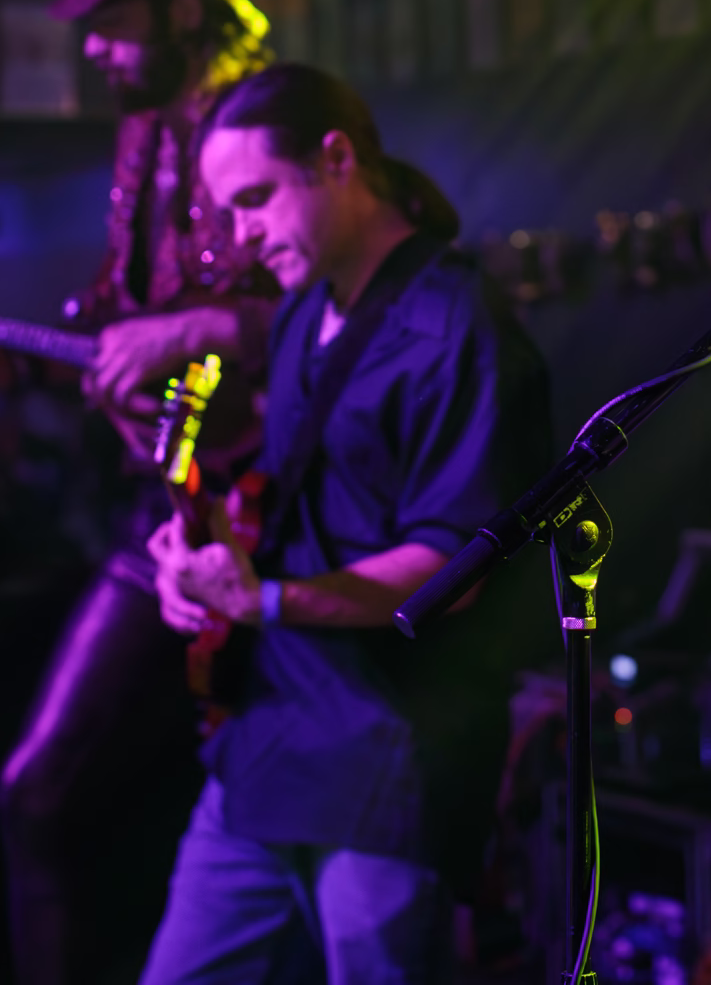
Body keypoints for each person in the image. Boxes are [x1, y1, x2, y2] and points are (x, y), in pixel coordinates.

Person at [0, 0, 280, 985]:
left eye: (113, 20)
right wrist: (16, 367)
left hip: (284, 519)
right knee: (37, 791)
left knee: (272, 811)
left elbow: (341, 304)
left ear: (187, 6)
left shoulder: (274, 123)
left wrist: (197, 329)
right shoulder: (143, 136)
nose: (92, 47)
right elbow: (118, 336)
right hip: (170, 511)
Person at [139, 64, 550, 985]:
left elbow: (452, 567)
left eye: (254, 201)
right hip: (267, 741)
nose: (240, 236)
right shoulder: (301, 314)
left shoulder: (458, 325)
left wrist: (265, 598)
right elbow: (300, 508)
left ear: (336, 158)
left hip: (385, 757)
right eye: (226, 213)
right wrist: (196, 559)